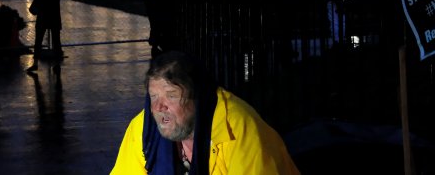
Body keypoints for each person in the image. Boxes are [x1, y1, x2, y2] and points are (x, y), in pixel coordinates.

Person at [110, 51, 300, 174]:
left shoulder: (239, 129)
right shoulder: (144, 129)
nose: (160, 107)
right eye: (153, 96)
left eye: (171, 96)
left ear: (196, 97)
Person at [26, 0, 63, 72]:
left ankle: (35, 64)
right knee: (56, 41)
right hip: (54, 17)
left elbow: (33, 9)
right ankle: (57, 64)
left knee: (38, 41)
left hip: (42, 18)